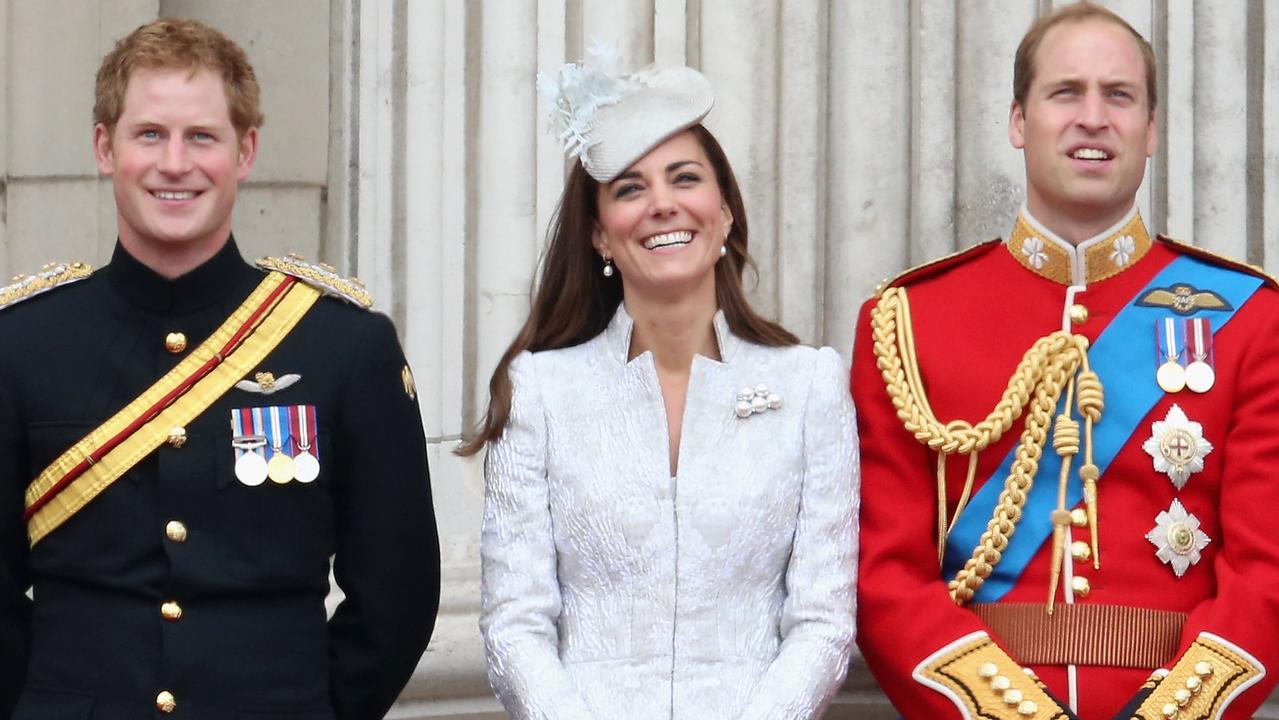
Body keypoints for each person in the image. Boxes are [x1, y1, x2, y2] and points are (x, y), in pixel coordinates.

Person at [0, 18, 439, 720]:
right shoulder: (21, 345)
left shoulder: (343, 348)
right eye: (149, 134)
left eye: (201, 136)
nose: (175, 163)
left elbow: (398, 591)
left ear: (245, 152)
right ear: (104, 148)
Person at [853, 3, 1279, 718]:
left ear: (1150, 131)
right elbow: (884, 577)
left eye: (1118, 95)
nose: (1092, 116)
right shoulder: (907, 320)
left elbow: (1265, 574)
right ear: (1018, 122)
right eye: (1064, 92)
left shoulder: (1250, 319)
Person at [462, 51, 859, 720]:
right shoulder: (540, 391)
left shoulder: (809, 383)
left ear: (725, 213)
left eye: (684, 178)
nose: (662, 204)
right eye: (629, 188)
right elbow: (515, 624)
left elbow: (822, 622)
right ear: (599, 235)